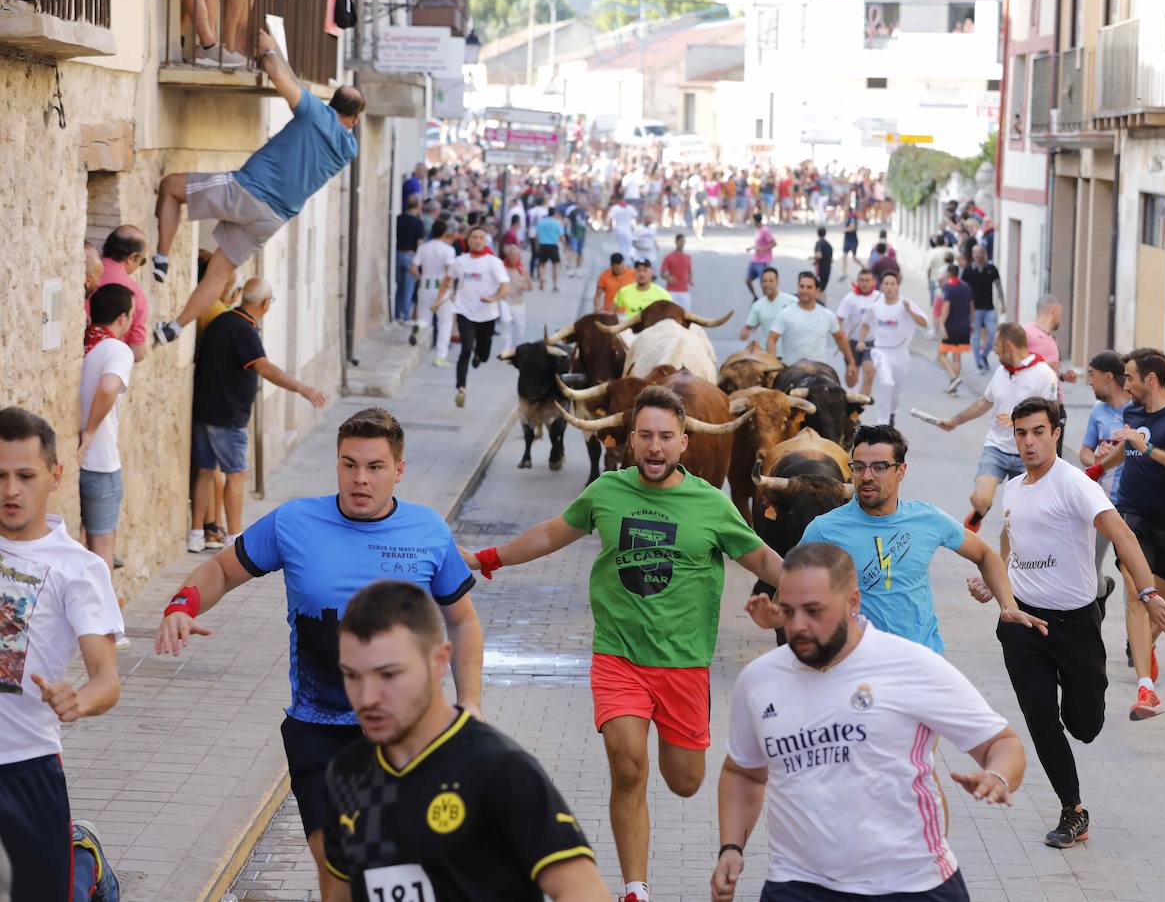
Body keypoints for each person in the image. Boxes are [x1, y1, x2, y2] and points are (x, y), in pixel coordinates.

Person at [469, 385, 785, 902]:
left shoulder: (709, 504)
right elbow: (551, 533)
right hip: (618, 657)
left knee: (684, 782)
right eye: (645, 436)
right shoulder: (607, 491)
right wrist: (490, 558)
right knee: (628, 764)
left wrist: (816, 600)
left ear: (684, 442)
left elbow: (766, 562)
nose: (654, 447)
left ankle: (677, 763)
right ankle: (634, 889)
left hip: (684, 663)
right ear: (630, 441)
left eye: (665, 437)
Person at [156, 408, 484, 896]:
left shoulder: (428, 531)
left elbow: (463, 621)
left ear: (399, 470)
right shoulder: (294, 522)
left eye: (374, 467)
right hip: (319, 730)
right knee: (338, 862)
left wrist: (470, 705)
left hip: (409, 732)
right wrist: (181, 604)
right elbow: (223, 570)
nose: (360, 479)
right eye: (349, 464)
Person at [711, 542, 1026, 902]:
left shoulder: (910, 665)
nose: (797, 626)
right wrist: (731, 848)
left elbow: (1003, 743)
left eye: (814, 611)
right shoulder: (759, 680)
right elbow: (744, 772)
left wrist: (998, 775)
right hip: (796, 884)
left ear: (853, 603)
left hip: (912, 885)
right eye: (788, 610)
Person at [320, 581, 608, 900]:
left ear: (440, 660)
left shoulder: (500, 769)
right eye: (352, 675)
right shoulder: (346, 775)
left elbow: (584, 891)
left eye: (388, 675)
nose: (367, 697)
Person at [972, 397, 1160, 849]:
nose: (1029, 442)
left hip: (1074, 624)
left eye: (1038, 431)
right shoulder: (1013, 487)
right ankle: (1072, 810)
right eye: (1021, 433)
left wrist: (1149, 591)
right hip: (1021, 621)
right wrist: (994, 582)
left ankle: (1100, 594)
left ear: (1056, 432)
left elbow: (1123, 535)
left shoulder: (1075, 484)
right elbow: (1007, 539)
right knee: (1040, 718)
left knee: (1084, 726)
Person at [151, 29, 364, 343]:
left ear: (330, 104)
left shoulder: (315, 113)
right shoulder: (348, 149)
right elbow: (294, 83)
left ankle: (161, 259)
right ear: (355, 120)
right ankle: (175, 327)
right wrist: (279, 48)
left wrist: (267, 52)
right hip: (272, 219)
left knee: (171, 187)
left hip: (246, 192)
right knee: (220, 273)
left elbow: (279, 75)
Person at [0, 407, 124, 902]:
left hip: (26, 768)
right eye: (0, 476)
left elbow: (107, 679)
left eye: (24, 476)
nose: (10, 490)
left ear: (54, 476)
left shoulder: (80, 569)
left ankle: (83, 862)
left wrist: (82, 700)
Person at [800, 424, 1027, 655]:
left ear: (901, 470)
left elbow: (985, 555)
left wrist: (1007, 605)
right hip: (855, 662)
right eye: (859, 467)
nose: (866, 476)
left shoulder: (927, 519)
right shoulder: (824, 529)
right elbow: (790, 588)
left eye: (879, 467)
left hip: (922, 659)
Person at [1095, 348, 1165, 721]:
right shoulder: (1132, 412)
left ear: (1150, 379)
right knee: (1138, 596)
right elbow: (1127, 449)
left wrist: (1150, 448)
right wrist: (1095, 469)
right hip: (1132, 517)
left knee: (1161, 609)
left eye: (1129, 377)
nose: (1125, 385)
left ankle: (1145, 648)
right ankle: (1146, 688)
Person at [188, 278, 327, 551]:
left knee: (205, 471)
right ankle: (235, 538)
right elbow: (264, 367)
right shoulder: (243, 329)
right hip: (227, 416)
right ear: (264, 304)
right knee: (236, 474)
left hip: (204, 410)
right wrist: (302, 388)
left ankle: (196, 534)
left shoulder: (223, 321)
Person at [932, 322, 1059, 533]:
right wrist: (955, 421)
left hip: (1027, 452)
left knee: (1016, 520)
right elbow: (984, 402)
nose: (994, 351)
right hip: (997, 447)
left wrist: (1019, 419)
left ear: (1008, 345)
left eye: (997, 346)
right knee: (980, 499)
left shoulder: (1044, 374)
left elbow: (1053, 412)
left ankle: (1005, 562)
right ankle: (980, 512)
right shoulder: (1001, 371)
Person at [78, 285, 136, 575]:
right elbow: (109, 387)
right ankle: (103, 619)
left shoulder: (86, 344)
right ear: (123, 318)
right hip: (100, 462)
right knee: (102, 549)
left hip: (77, 462)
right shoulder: (117, 349)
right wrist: (89, 432)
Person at [1079, 351, 1130, 611]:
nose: (1089, 381)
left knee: (1132, 575)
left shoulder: (1137, 411)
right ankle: (1102, 589)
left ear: (1108, 376)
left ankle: (1136, 643)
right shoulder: (1098, 411)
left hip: (1132, 504)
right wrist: (1095, 458)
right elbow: (1085, 452)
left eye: (1092, 375)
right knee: (1089, 569)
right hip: (1101, 502)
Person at [443, 225, 509, 408]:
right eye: (474, 237)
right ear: (468, 241)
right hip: (464, 311)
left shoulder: (494, 262)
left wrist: (493, 298)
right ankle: (461, 388)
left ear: (485, 241)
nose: (478, 240)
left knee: (484, 352)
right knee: (465, 349)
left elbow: (505, 288)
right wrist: (443, 296)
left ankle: (479, 356)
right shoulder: (460, 261)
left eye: (481, 237)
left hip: (487, 314)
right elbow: (447, 279)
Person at [855, 272, 930, 425]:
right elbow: (865, 323)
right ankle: (883, 422)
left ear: (897, 286)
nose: (889, 287)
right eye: (886, 284)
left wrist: (910, 311)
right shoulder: (875, 307)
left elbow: (924, 323)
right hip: (881, 352)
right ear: (881, 286)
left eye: (892, 284)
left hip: (901, 354)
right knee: (886, 383)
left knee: (896, 390)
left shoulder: (906, 304)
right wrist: (861, 340)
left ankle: (892, 413)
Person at [767, 272, 859, 386]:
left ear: (817, 290)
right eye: (802, 286)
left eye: (809, 287)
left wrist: (851, 362)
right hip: (791, 374)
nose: (804, 290)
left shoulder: (827, 314)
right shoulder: (785, 314)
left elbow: (840, 338)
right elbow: (772, 339)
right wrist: (773, 366)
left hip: (818, 374)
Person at [1025, 296, 1076, 455]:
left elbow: (1049, 371)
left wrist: (1062, 376)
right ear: (1053, 312)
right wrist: (1041, 364)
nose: (1061, 319)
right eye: (1060, 314)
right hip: (1036, 404)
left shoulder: (1051, 338)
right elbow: (1014, 364)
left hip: (1056, 405)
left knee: (1054, 457)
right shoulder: (1026, 332)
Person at [96, 225, 151, 362]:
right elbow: (137, 352)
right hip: (108, 364)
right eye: (142, 261)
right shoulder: (134, 293)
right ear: (132, 257)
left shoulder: (86, 271)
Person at [410, 218, 457, 353]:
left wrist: (421, 279)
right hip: (442, 287)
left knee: (424, 317)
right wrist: (451, 290)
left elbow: (413, 268)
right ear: (445, 233)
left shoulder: (423, 247)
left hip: (425, 285)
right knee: (445, 323)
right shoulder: (448, 250)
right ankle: (441, 355)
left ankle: (419, 326)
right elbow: (449, 272)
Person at [833, 268, 877, 395]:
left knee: (869, 374)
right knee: (851, 381)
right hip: (852, 342)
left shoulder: (879, 297)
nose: (864, 283)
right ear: (857, 281)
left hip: (872, 343)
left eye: (867, 280)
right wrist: (841, 336)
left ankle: (860, 407)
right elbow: (839, 319)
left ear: (873, 282)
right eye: (861, 280)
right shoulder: (850, 299)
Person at [935, 264, 975, 396]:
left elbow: (946, 307)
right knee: (957, 358)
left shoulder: (949, 287)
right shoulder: (966, 286)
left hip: (951, 327)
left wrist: (941, 323)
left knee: (941, 354)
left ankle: (954, 377)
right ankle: (953, 388)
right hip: (964, 327)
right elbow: (971, 306)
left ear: (948, 274)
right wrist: (971, 322)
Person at [962, 245, 1002, 373]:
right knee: (976, 336)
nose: (977, 255)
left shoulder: (991, 268)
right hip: (974, 310)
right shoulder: (968, 270)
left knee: (993, 335)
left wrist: (1003, 304)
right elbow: (963, 289)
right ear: (972, 255)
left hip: (989, 308)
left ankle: (984, 356)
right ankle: (978, 363)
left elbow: (998, 286)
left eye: (979, 252)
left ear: (984, 253)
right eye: (974, 253)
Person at [394, 195, 425, 323]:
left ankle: (397, 313)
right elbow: (420, 243)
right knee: (408, 287)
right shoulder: (418, 222)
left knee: (399, 286)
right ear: (418, 206)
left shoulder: (399, 219)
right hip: (410, 255)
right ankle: (406, 315)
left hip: (398, 254)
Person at [501, 242, 532, 347]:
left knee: (520, 328)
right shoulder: (502, 268)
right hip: (504, 300)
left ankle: (517, 348)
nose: (514, 257)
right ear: (508, 255)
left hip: (518, 301)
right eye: (512, 254)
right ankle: (506, 349)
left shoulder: (522, 270)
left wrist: (526, 287)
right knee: (506, 323)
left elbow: (530, 286)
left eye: (516, 255)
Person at [745, 213, 777, 300]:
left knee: (764, 282)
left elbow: (774, 243)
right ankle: (755, 296)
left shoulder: (765, 230)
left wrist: (764, 249)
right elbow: (758, 244)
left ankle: (766, 299)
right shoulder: (758, 230)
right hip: (755, 259)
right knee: (748, 280)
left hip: (763, 261)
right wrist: (751, 248)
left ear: (756, 221)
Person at [660, 234, 694, 309]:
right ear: (676, 242)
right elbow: (662, 273)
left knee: (686, 315)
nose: (682, 243)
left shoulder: (688, 257)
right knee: (671, 314)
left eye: (683, 241)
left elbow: (689, 270)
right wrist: (668, 277)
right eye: (680, 241)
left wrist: (691, 279)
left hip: (684, 291)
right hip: (672, 291)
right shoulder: (669, 257)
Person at [534, 208, 564, 292]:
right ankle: (554, 284)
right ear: (554, 214)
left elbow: (537, 234)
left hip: (543, 244)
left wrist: (537, 244)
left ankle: (542, 280)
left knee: (542, 264)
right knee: (555, 266)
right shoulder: (557, 223)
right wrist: (564, 245)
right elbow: (561, 236)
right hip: (553, 245)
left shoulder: (541, 222)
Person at [609, 196, 635, 261]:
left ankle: (628, 259)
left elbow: (611, 218)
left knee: (624, 246)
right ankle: (627, 259)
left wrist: (610, 227)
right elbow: (635, 216)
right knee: (627, 245)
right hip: (624, 229)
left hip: (621, 229)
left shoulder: (615, 208)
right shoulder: (629, 208)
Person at [812, 226, 834, 293]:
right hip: (828, 269)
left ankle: (820, 303)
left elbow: (819, 255)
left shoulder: (819, 243)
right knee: (822, 289)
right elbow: (831, 258)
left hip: (821, 270)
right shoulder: (829, 244)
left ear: (817, 233)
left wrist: (812, 257)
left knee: (818, 290)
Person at [840, 206, 860, 277]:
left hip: (852, 240)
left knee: (854, 258)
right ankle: (844, 273)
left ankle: (863, 267)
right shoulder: (848, 218)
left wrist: (844, 229)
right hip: (847, 240)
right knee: (844, 257)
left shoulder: (852, 218)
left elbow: (852, 227)